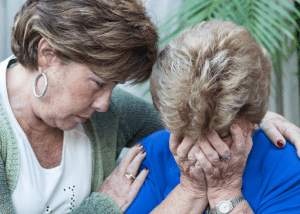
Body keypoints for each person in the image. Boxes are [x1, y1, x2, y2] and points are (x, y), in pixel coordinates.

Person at [0, 1, 299, 213]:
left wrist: (247, 113)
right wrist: (103, 206)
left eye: (115, 85)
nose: (106, 103)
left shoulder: (105, 111)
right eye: (97, 83)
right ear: (48, 55)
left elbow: (191, 114)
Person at [126, 20, 300, 214]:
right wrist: (189, 190)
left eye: (222, 135)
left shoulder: (288, 167)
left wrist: (225, 192)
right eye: (187, 135)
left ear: (251, 118)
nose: (202, 153)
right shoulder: (151, 153)